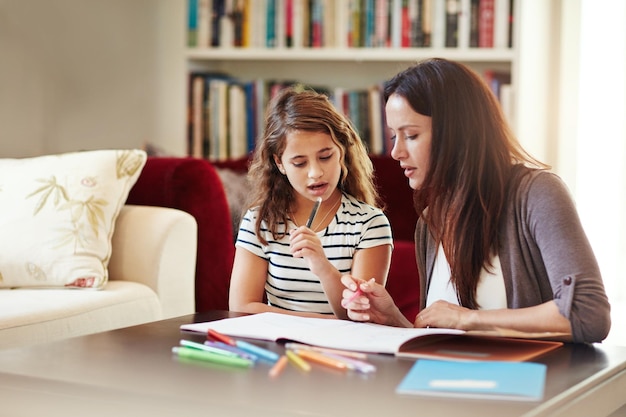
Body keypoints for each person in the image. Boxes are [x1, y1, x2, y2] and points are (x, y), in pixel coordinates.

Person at [341, 58, 611, 344]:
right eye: (394, 136)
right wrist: (393, 319)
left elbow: (588, 314)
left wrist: (466, 318)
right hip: (451, 383)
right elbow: (446, 338)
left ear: (456, 131)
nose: (396, 152)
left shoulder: (537, 194)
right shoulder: (430, 222)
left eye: (411, 135)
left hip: (526, 383)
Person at [229, 86, 393, 320]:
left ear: (342, 152)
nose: (315, 173)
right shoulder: (259, 221)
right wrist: (327, 323)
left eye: (325, 157)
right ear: (280, 163)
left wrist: (322, 266)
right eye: (299, 163)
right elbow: (241, 306)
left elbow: (359, 315)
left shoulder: (370, 223)